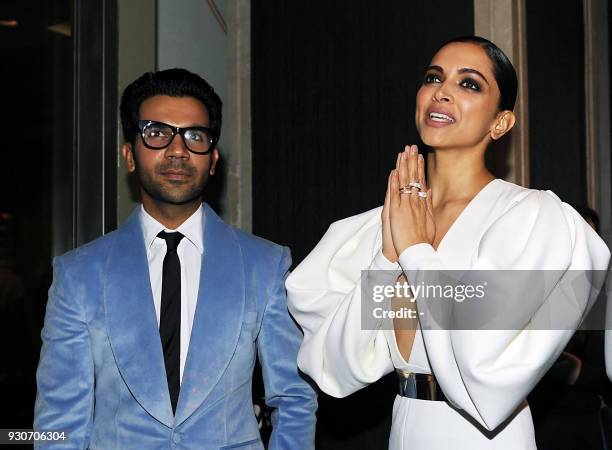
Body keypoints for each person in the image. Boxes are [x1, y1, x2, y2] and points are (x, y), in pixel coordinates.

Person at [286, 36, 610, 449]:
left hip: (485, 436)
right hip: (406, 426)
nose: (441, 91)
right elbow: (336, 367)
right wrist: (388, 257)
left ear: (501, 122)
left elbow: (485, 366)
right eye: (433, 78)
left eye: (469, 84)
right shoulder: (377, 227)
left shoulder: (531, 219)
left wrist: (417, 253)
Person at [34, 68, 317, 449]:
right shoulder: (78, 275)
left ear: (213, 159)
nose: (178, 150)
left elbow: (295, 400)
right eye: (156, 133)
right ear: (129, 155)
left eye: (194, 136)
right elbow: (58, 424)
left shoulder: (265, 265)